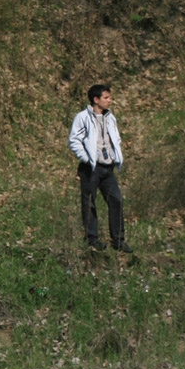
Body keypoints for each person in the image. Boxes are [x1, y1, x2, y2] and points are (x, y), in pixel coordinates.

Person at [68, 83, 132, 252]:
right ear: (96, 100)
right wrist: (87, 158)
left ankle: (118, 240)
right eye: (106, 97)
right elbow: (74, 140)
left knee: (116, 200)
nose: (110, 100)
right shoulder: (82, 117)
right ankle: (92, 239)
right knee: (90, 202)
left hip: (108, 167)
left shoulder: (111, 118)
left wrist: (116, 157)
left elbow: (115, 139)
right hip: (91, 167)